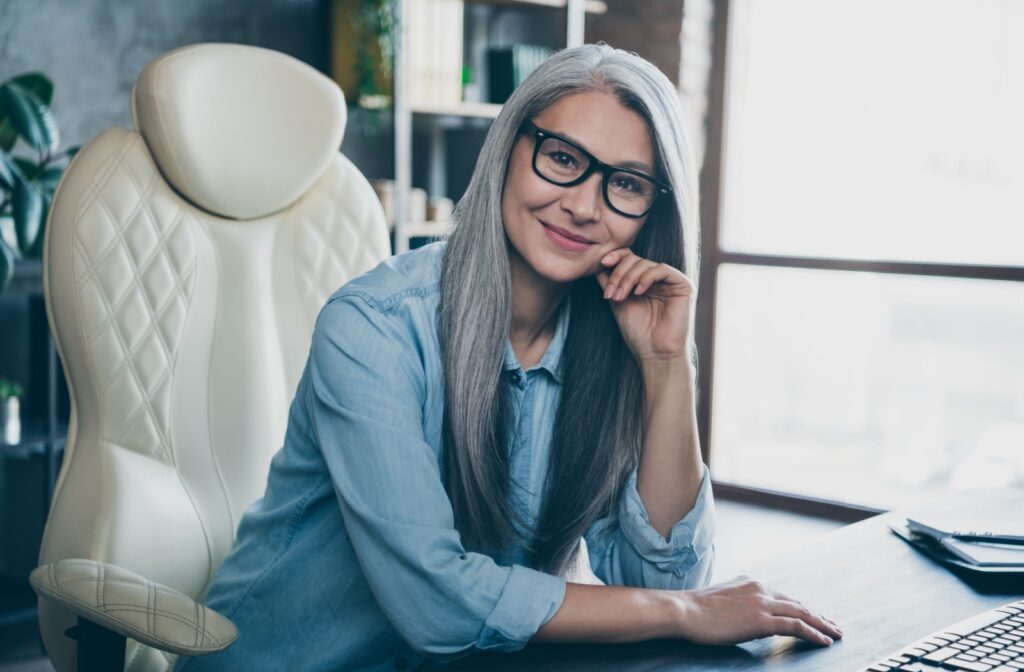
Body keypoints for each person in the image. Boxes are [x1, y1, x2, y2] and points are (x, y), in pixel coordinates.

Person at [176, 43, 842, 672]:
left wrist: (668, 367)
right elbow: (436, 603)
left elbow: (659, 579)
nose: (583, 205)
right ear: (510, 148)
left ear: (651, 213)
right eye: (562, 157)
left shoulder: (619, 338)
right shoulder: (373, 328)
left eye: (628, 185)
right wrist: (684, 611)